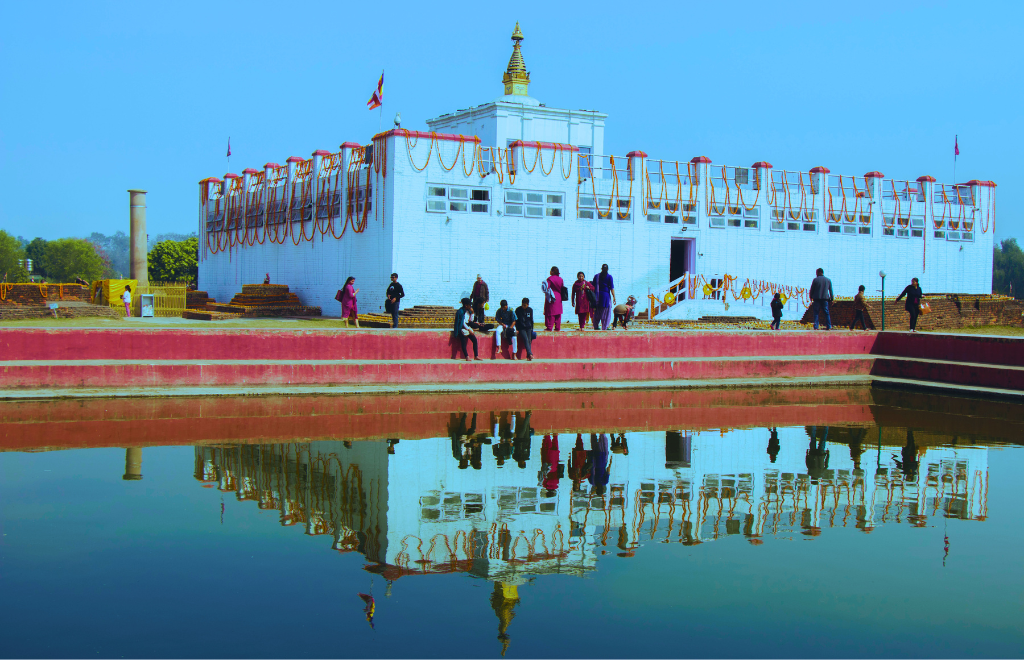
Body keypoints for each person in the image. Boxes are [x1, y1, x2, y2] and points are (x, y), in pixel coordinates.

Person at [591, 264, 616, 330]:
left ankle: (596, 326)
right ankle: (605, 326)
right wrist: (614, 297)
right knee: (605, 312)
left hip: (597, 296)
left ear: (601, 268)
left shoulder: (596, 276)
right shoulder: (609, 277)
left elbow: (592, 286)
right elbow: (612, 288)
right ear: (608, 269)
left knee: (597, 311)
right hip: (605, 296)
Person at [543, 267, 565, 332]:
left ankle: (550, 327)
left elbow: (547, 287)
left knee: (551, 312)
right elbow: (562, 288)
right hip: (559, 296)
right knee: (558, 313)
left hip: (552, 296)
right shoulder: (560, 279)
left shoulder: (550, 279)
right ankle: (557, 327)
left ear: (552, 272)